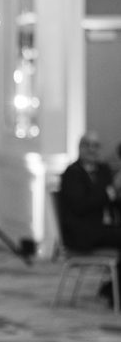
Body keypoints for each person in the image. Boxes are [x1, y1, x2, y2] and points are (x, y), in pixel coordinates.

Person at [58, 130, 121, 304]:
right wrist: (111, 191)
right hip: (80, 233)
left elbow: (110, 201)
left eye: (96, 146)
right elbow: (81, 206)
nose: (92, 150)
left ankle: (111, 290)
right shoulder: (72, 174)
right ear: (80, 148)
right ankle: (112, 292)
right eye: (88, 145)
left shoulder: (103, 170)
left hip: (99, 229)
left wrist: (113, 194)